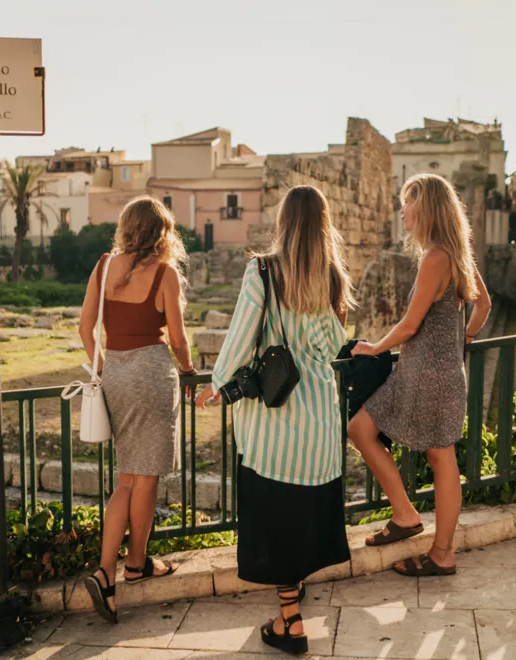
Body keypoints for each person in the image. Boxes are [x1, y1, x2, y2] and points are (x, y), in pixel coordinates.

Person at [196, 185, 354, 656]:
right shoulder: (330, 278)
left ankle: (290, 622)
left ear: (284, 223)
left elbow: (241, 336)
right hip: (321, 421)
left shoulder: (262, 271)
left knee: (277, 519)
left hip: (276, 426)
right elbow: (332, 348)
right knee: (304, 514)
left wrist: (219, 385)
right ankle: (296, 593)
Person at [349, 173, 491, 577]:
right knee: (361, 428)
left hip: (428, 373)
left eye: (406, 201)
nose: (401, 209)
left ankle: (442, 553)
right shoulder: (454, 252)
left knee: (440, 456)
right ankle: (407, 516)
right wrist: (461, 338)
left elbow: (410, 325)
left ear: (424, 205)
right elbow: (484, 307)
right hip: (432, 371)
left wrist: (375, 347)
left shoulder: (436, 258)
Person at [80, 196, 197, 624]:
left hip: (116, 375)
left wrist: (110, 367)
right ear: (162, 233)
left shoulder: (103, 266)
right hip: (151, 372)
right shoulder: (165, 274)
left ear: (127, 228)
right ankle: (131, 564)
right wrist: (187, 369)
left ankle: (108, 570)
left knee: (126, 477)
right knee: (144, 477)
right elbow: (180, 339)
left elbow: (84, 327)